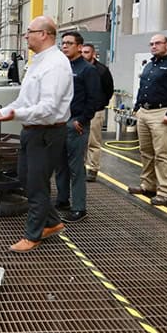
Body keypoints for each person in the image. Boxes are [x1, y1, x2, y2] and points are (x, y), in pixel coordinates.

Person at [0, 16, 72, 252]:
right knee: (25, 178)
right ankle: (53, 222)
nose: (25, 36)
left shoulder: (55, 64)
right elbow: (25, 99)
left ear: (44, 34)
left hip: (47, 133)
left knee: (36, 184)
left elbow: (48, 108)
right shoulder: (38, 62)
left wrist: (13, 115)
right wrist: (5, 111)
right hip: (32, 131)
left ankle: (33, 235)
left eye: (29, 31)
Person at [128, 34, 167, 206]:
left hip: (162, 113)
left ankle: (164, 192)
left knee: (162, 154)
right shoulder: (149, 65)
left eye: (158, 43)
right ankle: (148, 186)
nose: (154, 46)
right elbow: (142, 88)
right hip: (144, 112)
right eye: (151, 44)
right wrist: (137, 108)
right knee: (146, 152)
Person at [55, 32, 100, 223]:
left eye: (69, 43)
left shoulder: (87, 70)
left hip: (75, 124)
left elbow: (94, 99)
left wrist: (81, 120)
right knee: (60, 166)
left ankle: (79, 208)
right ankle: (62, 200)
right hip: (59, 122)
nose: (65, 46)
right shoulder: (62, 67)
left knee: (76, 168)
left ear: (79, 47)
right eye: (63, 43)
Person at [81, 43, 114, 181]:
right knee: (80, 141)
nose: (84, 54)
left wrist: (100, 104)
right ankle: (79, 167)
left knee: (93, 142)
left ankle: (93, 169)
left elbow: (109, 90)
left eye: (87, 52)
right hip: (80, 111)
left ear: (93, 54)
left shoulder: (102, 70)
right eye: (82, 52)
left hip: (96, 112)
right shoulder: (78, 68)